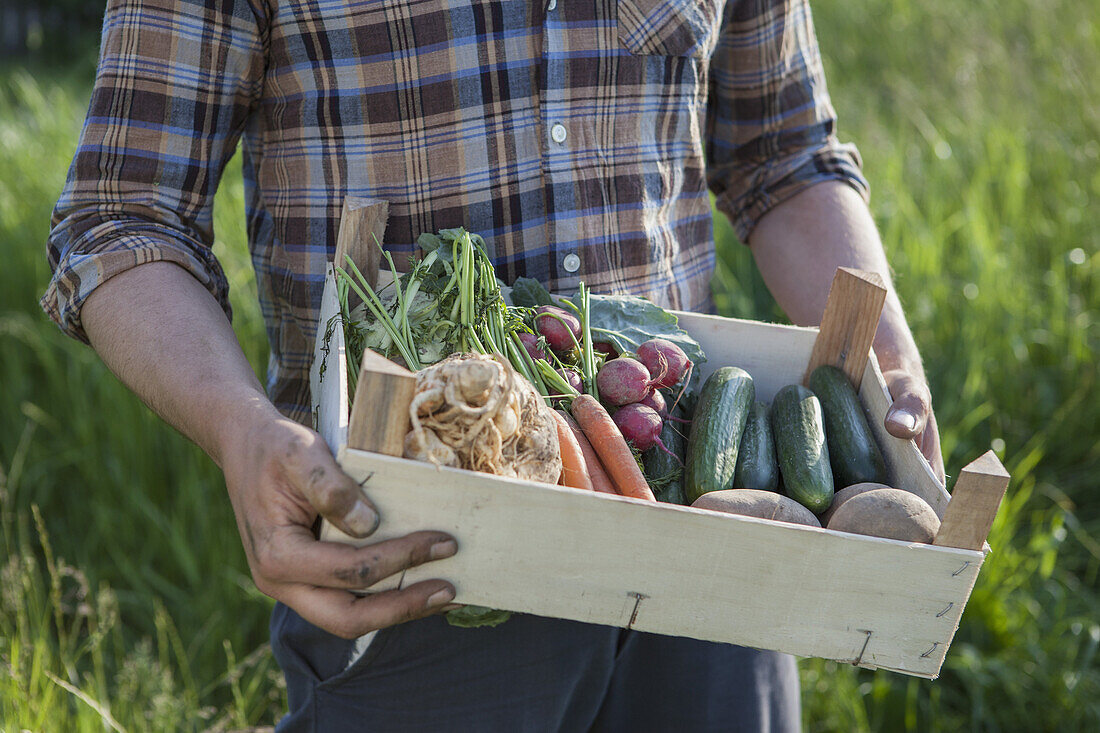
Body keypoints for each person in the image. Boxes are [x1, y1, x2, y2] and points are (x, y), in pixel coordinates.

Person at [43, 0, 944, 730]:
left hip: (709, 545)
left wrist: (889, 358)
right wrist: (244, 433)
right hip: (413, 557)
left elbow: (783, 156)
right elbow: (123, 216)